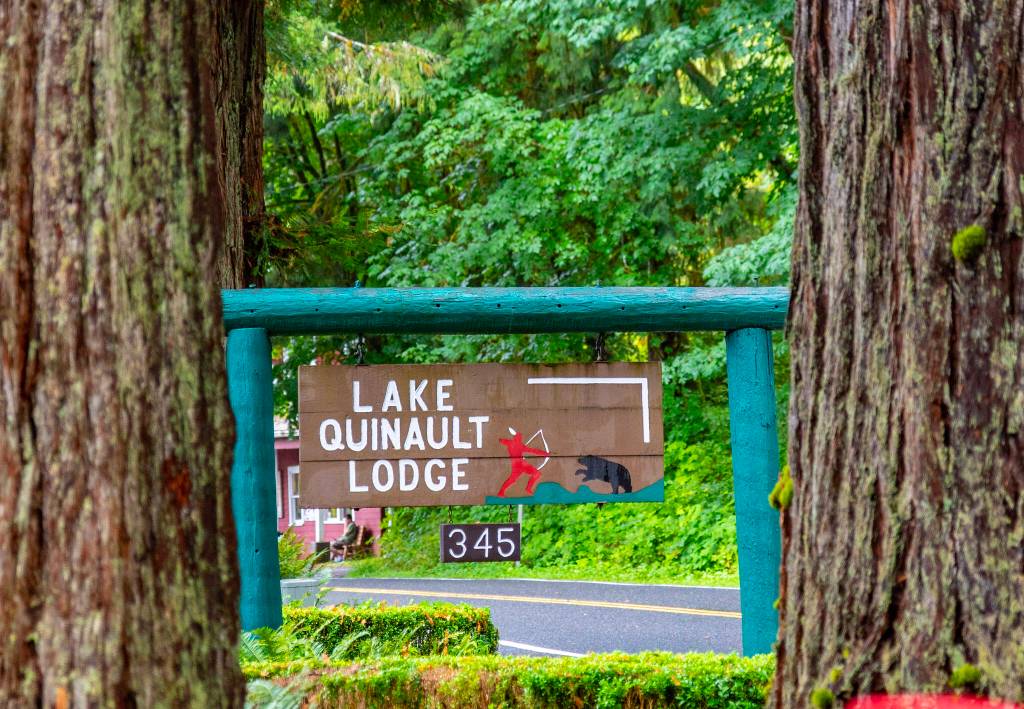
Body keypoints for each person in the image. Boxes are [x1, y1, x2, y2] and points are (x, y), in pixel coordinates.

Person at [497, 427, 549, 497]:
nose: (520, 439)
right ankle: (528, 488)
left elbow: (501, 441)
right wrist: (545, 453)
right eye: (519, 438)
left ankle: (501, 492)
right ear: (518, 438)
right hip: (521, 464)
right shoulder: (520, 445)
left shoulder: (510, 443)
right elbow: (533, 450)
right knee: (536, 474)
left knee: (512, 479)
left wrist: (502, 440)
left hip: (517, 464)